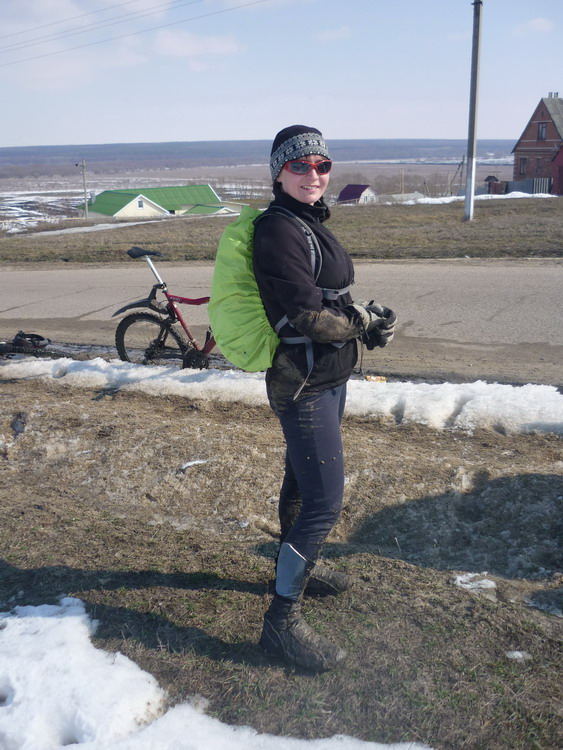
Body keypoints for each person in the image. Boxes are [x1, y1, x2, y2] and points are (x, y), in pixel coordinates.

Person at [253, 125, 396, 671]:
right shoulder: (278, 229)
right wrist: (360, 321)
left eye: (322, 165)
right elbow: (310, 318)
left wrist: (368, 324)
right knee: (323, 502)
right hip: (304, 384)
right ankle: (280, 623)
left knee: (301, 482)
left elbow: (332, 299)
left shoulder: (309, 222)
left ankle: (297, 572)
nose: (313, 175)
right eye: (299, 166)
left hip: (329, 377)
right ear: (278, 173)